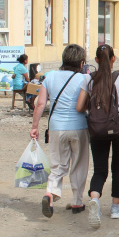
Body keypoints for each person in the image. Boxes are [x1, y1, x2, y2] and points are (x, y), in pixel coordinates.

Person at [76, 44, 119, 229]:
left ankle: (95, 199)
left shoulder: (89, 79)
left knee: (100, 168)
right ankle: (115, 208)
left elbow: (79, 107)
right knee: (118, 166)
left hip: (97, 128)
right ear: (113, 58)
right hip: (118, 127)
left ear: (96, 60)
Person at [30, 44, 88, 218]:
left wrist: (34, 127)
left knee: (57, 164)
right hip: (79, 126)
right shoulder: (84, 79)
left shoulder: (50, 77)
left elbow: (40, 104)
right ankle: (77, 201)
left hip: (56, 127)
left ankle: (50, 193)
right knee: (79, 164)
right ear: (81, 62)